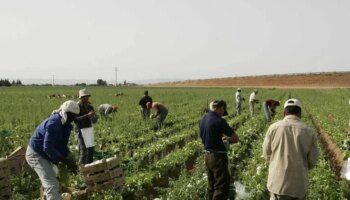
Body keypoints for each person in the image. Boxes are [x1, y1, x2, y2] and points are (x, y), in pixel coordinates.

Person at [263, 99, 319, 200]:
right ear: (300, 113)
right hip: (299, 186)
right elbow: (312, 161)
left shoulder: (273, 128)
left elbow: (266, 155)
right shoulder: (310, 132)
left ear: (284, 112)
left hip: (277, 184)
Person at [25, 100, 80, 200]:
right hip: (36, 154)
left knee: (52, 181)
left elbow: (62, 146)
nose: (74, 119)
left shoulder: (66, 125)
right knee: (52, 185)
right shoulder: (54, 123)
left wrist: (69, 159)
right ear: (66, 113)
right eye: (73, 116)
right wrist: (66, 161)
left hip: (45, 154)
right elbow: (47, 147)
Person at [199, 100, 239, 200]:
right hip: (218, 158)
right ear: (221, 108)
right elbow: (235, 138)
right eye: (223, 112)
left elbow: (202, 138)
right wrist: (227, 140)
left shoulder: (203, 119)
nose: (222, 115)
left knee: (211, 186)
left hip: (207, 156)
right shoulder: (219, 121)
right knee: (221, 186)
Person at [74, 89, 98, 165]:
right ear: (80, 97)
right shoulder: (77, 107)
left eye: (87, 96)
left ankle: (90, 167)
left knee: (90, 149)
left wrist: (94, 117)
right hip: (80, 130)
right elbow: (76, 120)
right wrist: (87, 116)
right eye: (84, 97)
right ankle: (82, 169)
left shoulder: (90, 107)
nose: (86, 98)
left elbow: (94, 120)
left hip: (88, 129)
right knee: (83, 150)